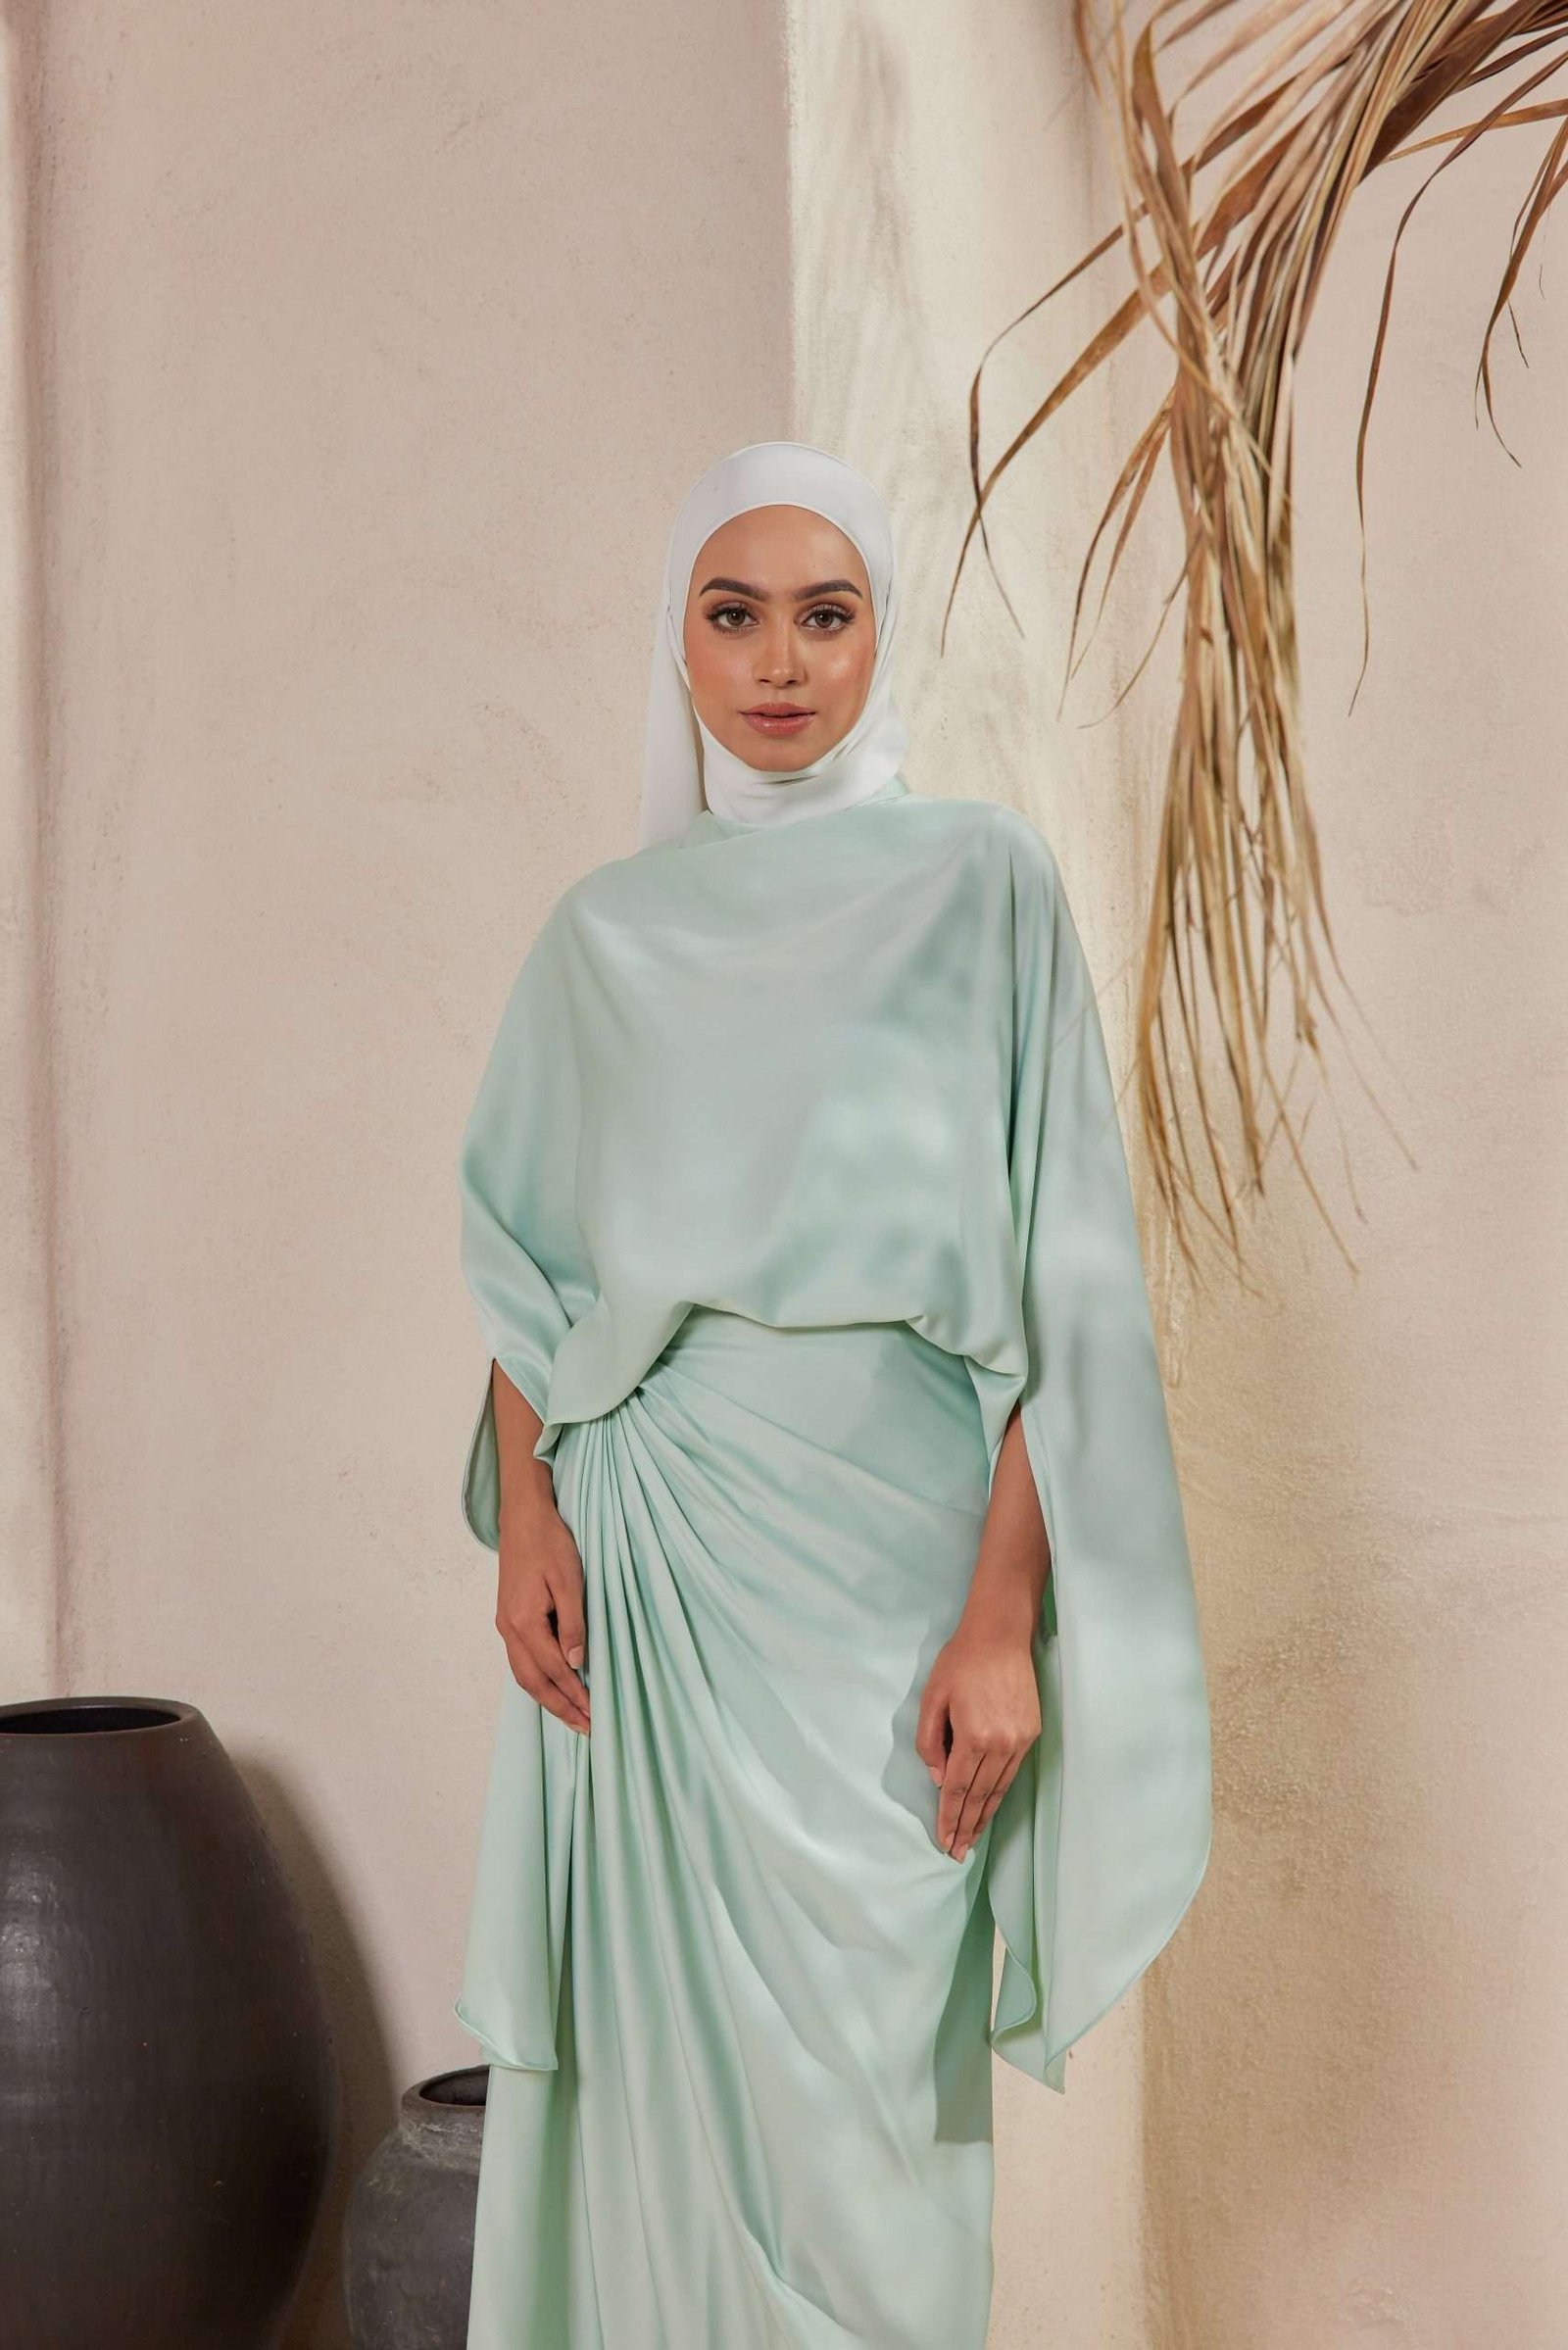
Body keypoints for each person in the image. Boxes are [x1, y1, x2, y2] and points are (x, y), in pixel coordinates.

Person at [452, 440, 1212, 2349]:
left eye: (825, 612)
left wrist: (1002, 1615)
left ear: (882, 634)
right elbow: (532, 1272)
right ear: (679, 643)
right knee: (660, 2115)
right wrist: (527, 1516)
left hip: (893, 1582)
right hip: (660, 1581)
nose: (779, 661)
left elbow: (1068, 1283)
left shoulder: (981, 884)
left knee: (877, 2144)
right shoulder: (603, 938)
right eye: (733, 615)